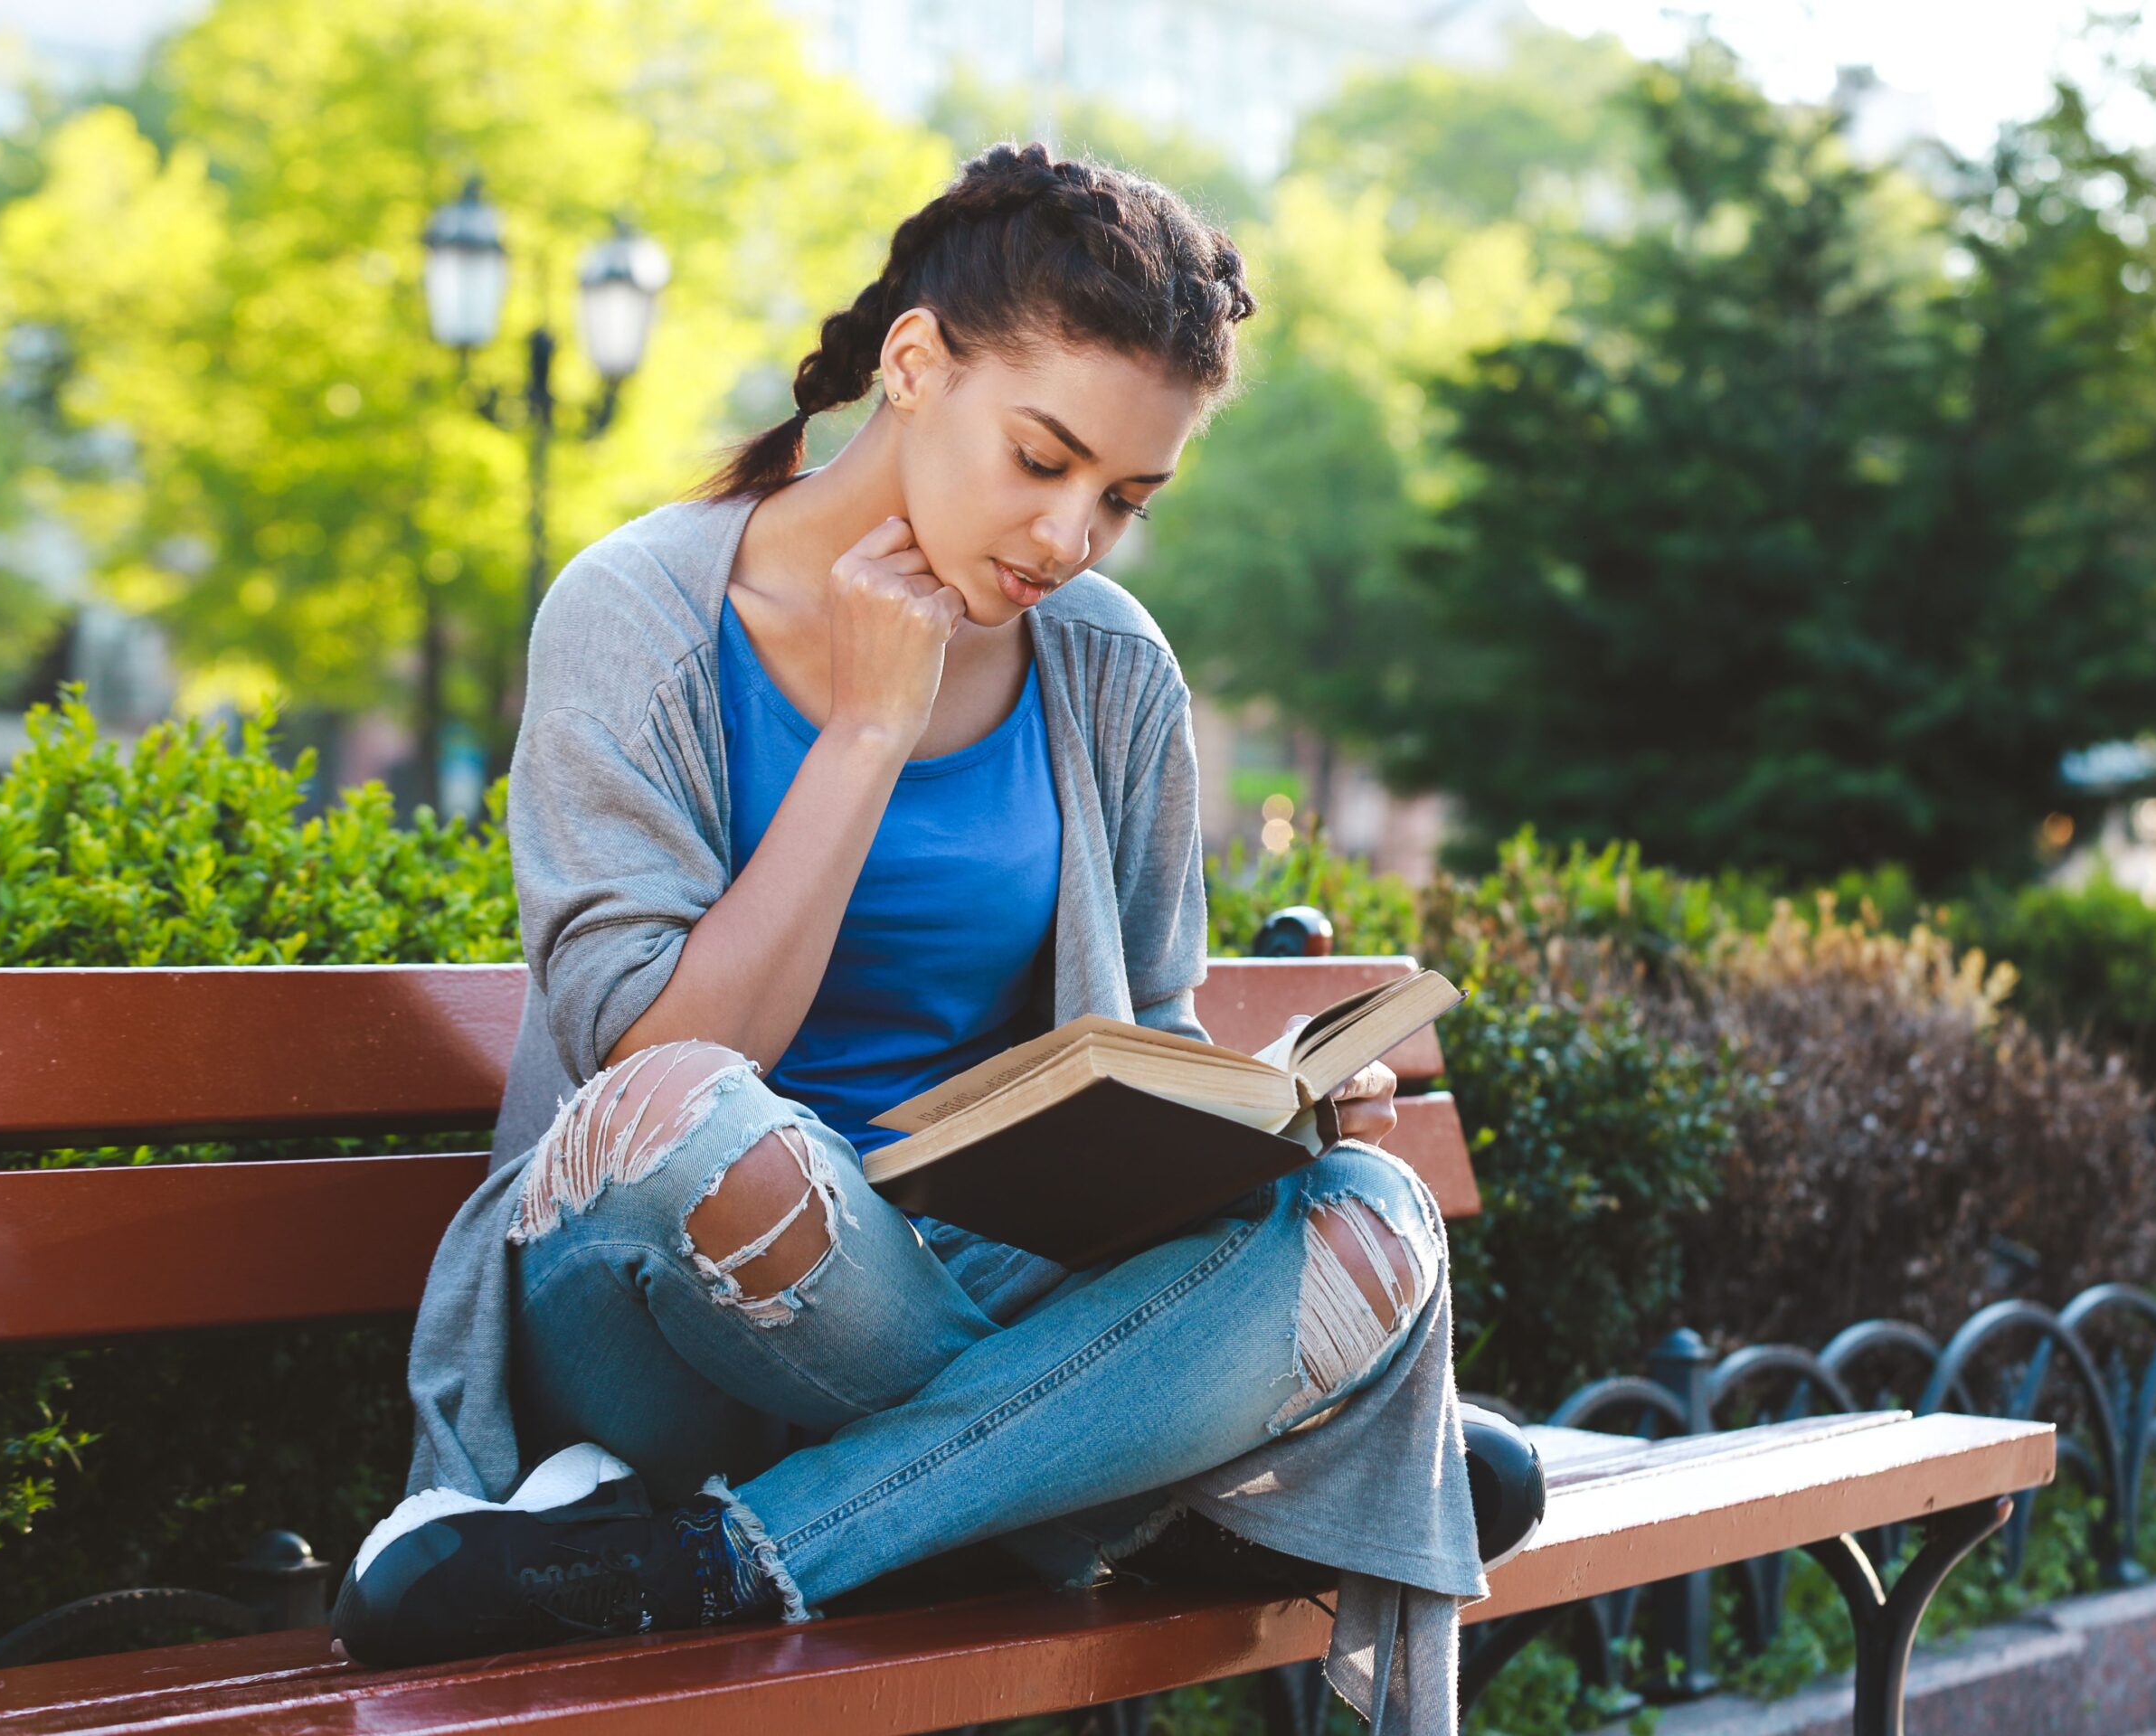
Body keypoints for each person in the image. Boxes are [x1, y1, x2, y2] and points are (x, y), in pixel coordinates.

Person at [333, 142, 1494, 1732]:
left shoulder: (1108, 670)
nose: (1072, 536)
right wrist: (867, 736)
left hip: (983, 1266)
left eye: (1124, 499)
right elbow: (656, 1062)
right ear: (912, 364)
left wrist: (1257, 1126)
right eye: (1042, 459)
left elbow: (1137, 1033)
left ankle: (741, 1557)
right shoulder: (636, 613)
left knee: (1374, 1213)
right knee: (690, 1125)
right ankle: (1141, 1464)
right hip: (668, 1292)